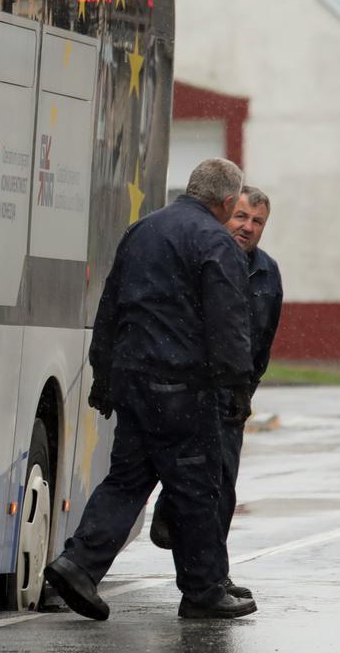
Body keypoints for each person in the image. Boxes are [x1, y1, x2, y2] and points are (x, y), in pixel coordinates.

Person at [44, 158, 257, 621]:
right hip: (182, 385)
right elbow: (228, 323)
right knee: (196, 486)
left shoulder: (142, 231)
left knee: (128, 479)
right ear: (225, 203)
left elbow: (111, 303)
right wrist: (237, 387)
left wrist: (103, 373)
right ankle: (203, 591)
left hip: (134, 380)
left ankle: (78, 564)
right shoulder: (215, 242)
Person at [149, 187, 282, 601]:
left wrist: (246, 391)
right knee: (193, 487)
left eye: (257, 221)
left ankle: (212, 578)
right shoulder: (204, 257)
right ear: (226, 213)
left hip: (232, 400)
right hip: (192, 392)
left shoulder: (267, 272)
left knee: (222, 489)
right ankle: (189, 557)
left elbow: (262, 341)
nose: (247, 227)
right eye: (241, 216)